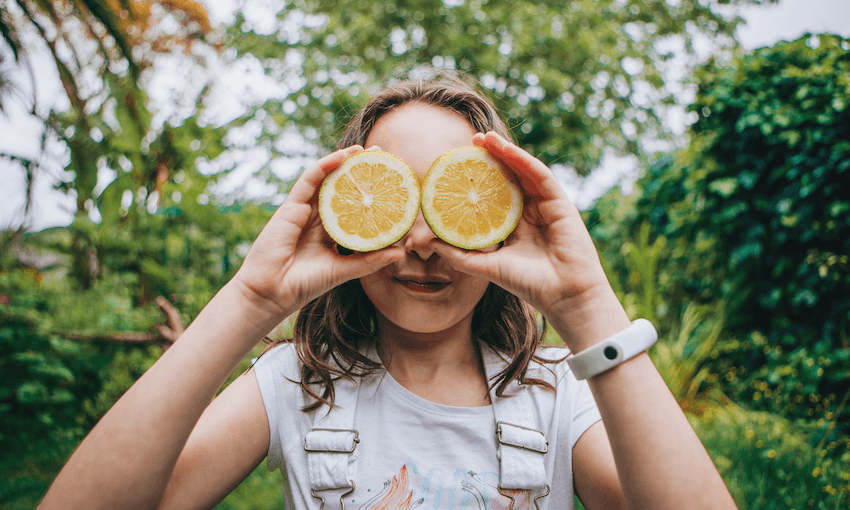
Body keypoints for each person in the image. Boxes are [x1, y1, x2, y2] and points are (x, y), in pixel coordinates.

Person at [40, 71, 737, 510]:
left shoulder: (559, 394)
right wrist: (252, 299)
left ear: (499, 216)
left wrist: (585, 305)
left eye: (452, 201)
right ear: (348, 212)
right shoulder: (297, 384)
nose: (425, 242)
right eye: (399, 200)